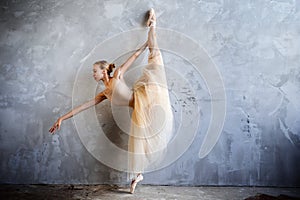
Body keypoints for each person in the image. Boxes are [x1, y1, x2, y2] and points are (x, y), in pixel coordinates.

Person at [49, 8, 173, 194]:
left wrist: (146, 43)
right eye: (92, 72)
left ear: (103, 71)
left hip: (147, 96)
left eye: (95, 71)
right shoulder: (105, 94)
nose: (93, 74)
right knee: (142, 143)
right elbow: (83, 106)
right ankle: (138, 176)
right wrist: (62, 118)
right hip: (139, 110)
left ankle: (153, 25)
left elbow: (134, 56)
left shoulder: (117, 76)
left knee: (155, 57)